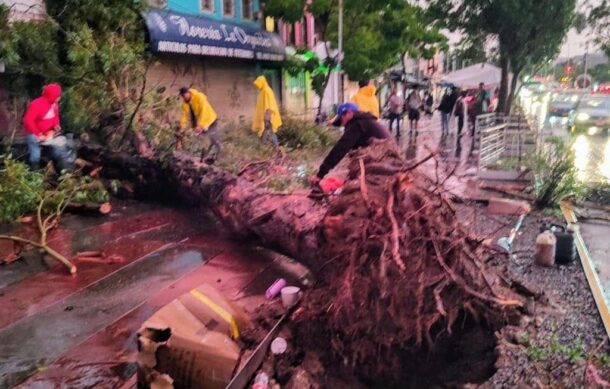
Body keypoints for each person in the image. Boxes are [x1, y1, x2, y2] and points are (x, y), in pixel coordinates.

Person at [310, 103, 390, 185]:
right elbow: (339, 124)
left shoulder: (356, 124)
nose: (342, 121)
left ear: (349, 113)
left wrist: (320, 174)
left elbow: (340, 149)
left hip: (382, 160)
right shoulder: (364, 120)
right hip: (387, 156)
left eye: (342, 117)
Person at [23, 83, 71, 171]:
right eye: (57, 96)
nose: (59, 98)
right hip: (34, 134)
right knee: (35, 156)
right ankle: (33, 173)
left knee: (58, 151)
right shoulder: (36, 104)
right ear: (51, 96)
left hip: (48, 134)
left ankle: (56, 170)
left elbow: (55, 116)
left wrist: (56, 125)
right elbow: (28, 121)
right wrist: (39, 134)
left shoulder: (54, 104)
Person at [178, 86, 221, 164]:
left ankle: (218, 157)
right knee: (202, 140)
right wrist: (182, 127)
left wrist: (200, 125)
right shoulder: (185, 104)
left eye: (184, 95)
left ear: (188, 93)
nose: (183, 97)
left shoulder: (199, 97)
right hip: (199, 124)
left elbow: (203, 111)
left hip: (210, 121)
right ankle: (203, 159)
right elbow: (184, 116)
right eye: (182, 96)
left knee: (214, 140)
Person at [253, 75, 282, 150]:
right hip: (266, 117)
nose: (257, 86)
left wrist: (267, 117)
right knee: (267, 132)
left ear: (262, 83)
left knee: (269, 132)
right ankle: (271, 148)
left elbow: (269, 106)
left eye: (258, 84)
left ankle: (273, 148)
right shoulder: (263, 91)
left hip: (268, 117)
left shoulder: (266, 91)